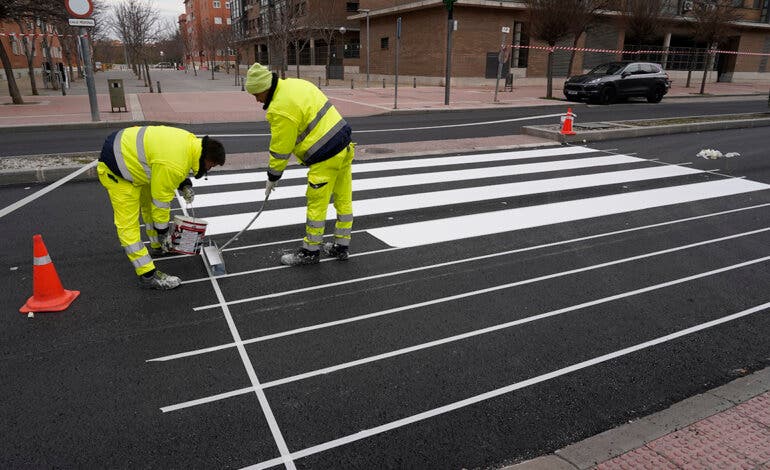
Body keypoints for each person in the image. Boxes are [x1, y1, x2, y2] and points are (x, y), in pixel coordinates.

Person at [244, 62, 354, 266]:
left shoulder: (279, 108)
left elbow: (280, 148)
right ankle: (341, 246)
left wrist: (273, 176)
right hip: (345, 147)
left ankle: (310, 252)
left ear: (264, 88)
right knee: (343, 199)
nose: (257, 100)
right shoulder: (296, 84)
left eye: (256, 94)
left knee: (316, 205)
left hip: (325, 156)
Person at [97, 125, 226, 289]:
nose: (209, 170)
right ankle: (147, 274)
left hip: (135, 159)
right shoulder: (174, 165)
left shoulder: (191, 143)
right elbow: (161, 201)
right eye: (211, 166)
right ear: (207, 158)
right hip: (118, 169)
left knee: (147, 207)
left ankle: (157, 247)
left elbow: (169, 164)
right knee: (128, 225)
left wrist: (184, 184)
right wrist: (164, 232)